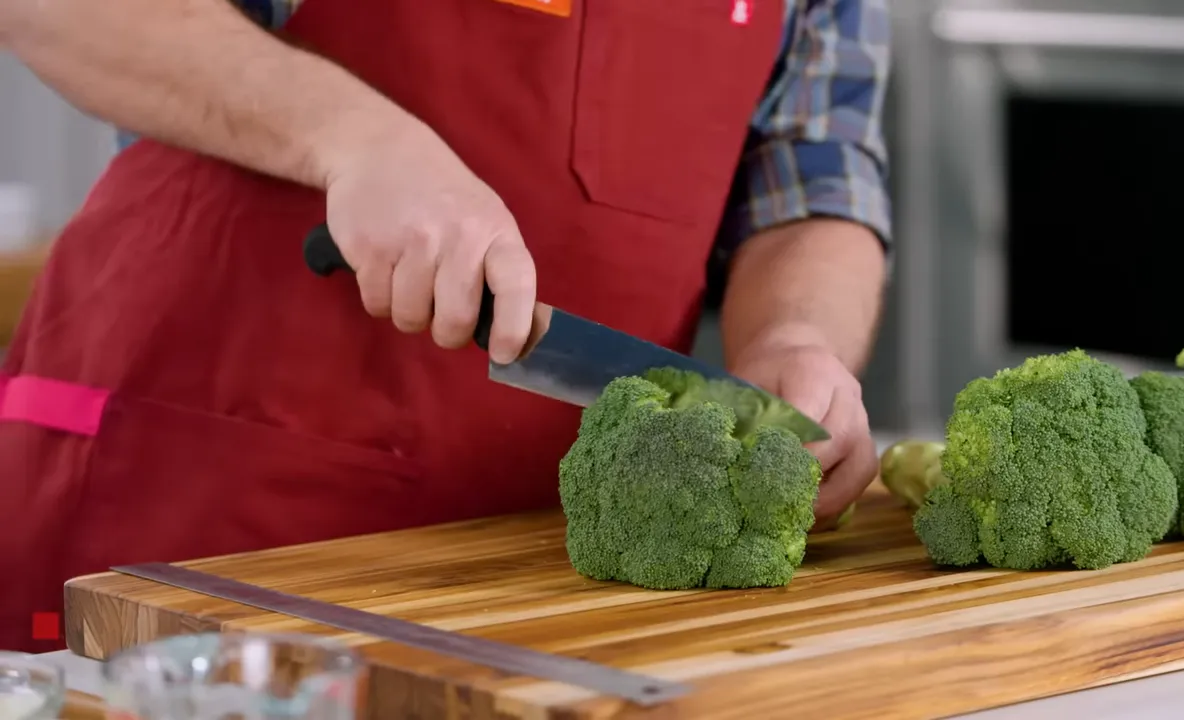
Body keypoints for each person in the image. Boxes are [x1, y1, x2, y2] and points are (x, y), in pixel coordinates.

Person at [0, 0, 892, 652]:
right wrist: (358, 141)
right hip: (200, 498)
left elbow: (813, 172)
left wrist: (794, 338)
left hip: (542, 580)